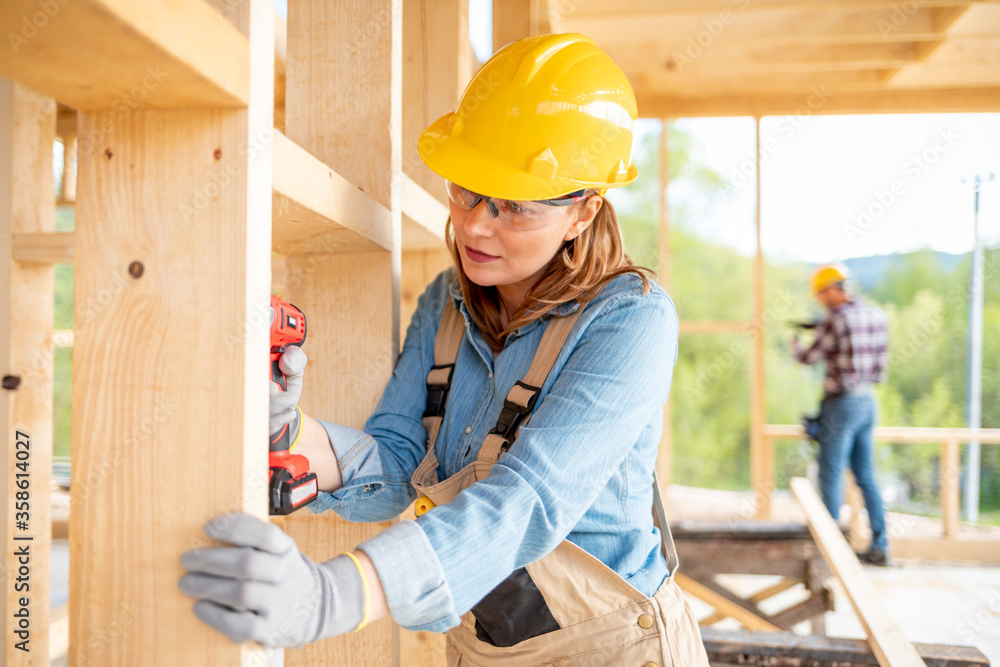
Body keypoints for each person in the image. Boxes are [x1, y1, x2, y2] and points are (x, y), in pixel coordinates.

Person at [178, 33, 708, 664]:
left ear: (583, 212)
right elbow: (402, 461)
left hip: (612, 646)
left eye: (514, 205)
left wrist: (335, 594)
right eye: (466, 189)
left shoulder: (632, 321)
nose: (477, 224)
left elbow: (528, 501)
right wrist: (286, 433)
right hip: (479, 642)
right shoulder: (446, 301)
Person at [793, 263, 890, 566]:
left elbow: (809, 358)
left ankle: (829, 549)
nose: (820, 300)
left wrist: (797, 343)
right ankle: (880, 546)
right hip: (867, 402)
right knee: (865, 475)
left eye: (821, 294)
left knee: (830, 473)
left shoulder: (836, 319)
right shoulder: (876, 315)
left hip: (841, 403)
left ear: (833, 289)